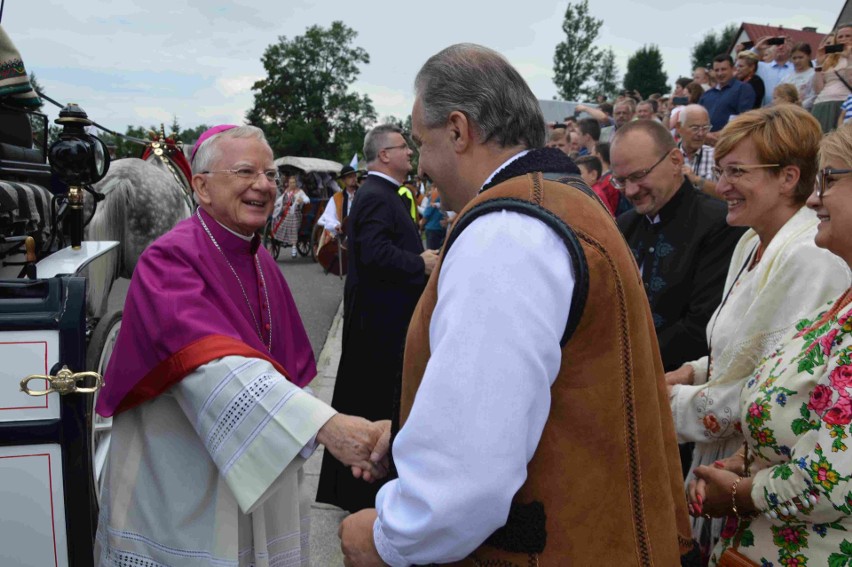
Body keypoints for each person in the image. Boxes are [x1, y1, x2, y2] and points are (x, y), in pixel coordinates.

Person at [338, 42, 693, 566]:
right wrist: (419, 427)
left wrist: (389, 536)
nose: (421, 165)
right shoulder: (566, 203)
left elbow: (467, 474)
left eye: (423, 142)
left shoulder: (508, 231)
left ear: (459, 130)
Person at [92, 125, 387, 567]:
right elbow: (208, 368)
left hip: (246, 477)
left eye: (269, 173)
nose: (265, 185)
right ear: (201, 186)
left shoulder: (261, 258)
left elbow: (278, 371)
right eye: (246, 171)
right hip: (181, 478)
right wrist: (326, 427)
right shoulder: (168, 259)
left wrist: (339, 431)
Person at [664, 105, 851, 563]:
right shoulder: (750, 242)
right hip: (747, 499)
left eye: (737, 172)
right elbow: (773, 358)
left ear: (788, 177)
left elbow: (830, 475)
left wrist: (656, 403)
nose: (721, 185)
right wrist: (691, 371)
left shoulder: (811, 255)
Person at [316, 124, 439, 513]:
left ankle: (366, 487)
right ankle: (362, 490)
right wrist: (418, 262)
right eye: (403, 147)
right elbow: (371, 253)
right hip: (377, 326)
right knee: (370, 403)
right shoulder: (375, 195)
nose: (410, 154)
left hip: (383, 319)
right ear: (384, 155)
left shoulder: (383, 194)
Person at [613, 119, 745, 373]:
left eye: (638, 176)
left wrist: (622, 363)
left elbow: (702, 327)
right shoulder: (624, 224)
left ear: (675, 161)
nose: (630, 191)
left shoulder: (719, 224)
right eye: (620, 181)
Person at [700, 54, 756, 137]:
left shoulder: (743, 89)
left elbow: (744, 119)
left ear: (733, 69)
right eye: (717, 70)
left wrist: (716, 135)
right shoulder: (707, 95)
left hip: (729, 142)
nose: (720, 73)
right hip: (705, 143)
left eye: (723, 69)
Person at [813, 25, 852, 133]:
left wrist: (849, 57)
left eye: (848, 36)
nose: (843, 39)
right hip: (822, 102)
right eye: (840, 37)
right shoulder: (830, 59)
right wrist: (818, 64)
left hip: (844, 104)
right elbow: (818, 90)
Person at [677, 104, 719, 197]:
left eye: (705, 128)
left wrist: (697, 180)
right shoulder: (668, 158)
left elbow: (726, 195)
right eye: (695, 128)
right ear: (679, 127)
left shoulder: (716, 156)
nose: (701, 134)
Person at [272, 174, 310, 258]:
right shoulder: (286, 191)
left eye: (293, 182)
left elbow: (307, 199)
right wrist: (280, 206)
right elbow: (280, 200)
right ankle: (280, 238)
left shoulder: (300, 191)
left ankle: (293, 247)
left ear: (296, 183)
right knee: (275, 218)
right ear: (288, 183)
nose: (292, 184)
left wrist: (302, 200)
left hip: (296, 214)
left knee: (292, 219)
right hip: (286, 213)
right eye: (290, 182)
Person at [751, 35, 795, 107]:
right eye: (777, 44)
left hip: (788, 111)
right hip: (765, 111)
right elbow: (745, 61)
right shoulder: (762, 67)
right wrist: (756, 48)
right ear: (772, 48)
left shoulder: (796, 68)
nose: (780, 47)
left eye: (784, 44)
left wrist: (795, 50)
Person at [317, 164, 359, 235]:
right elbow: (328, 217)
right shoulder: (336, 198)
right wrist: (335, 225)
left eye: (355, 176)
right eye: (350, 177)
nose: (354, 178)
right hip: (343, 233)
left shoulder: (363, 194)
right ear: (343, 180)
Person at [779, 42, 817, 110]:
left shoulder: (814, 74)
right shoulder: (786, 78)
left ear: (809, 57)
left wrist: (798, 107)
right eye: (794, 58)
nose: (797, 61)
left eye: (801, 57)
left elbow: (814, 96)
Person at [420, 185, 447, 249]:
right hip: (442, 227)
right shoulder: (444, 194)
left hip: (432, 228)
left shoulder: (434, 195)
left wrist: (420, 226)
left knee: (432, 253)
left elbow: (427, 214)